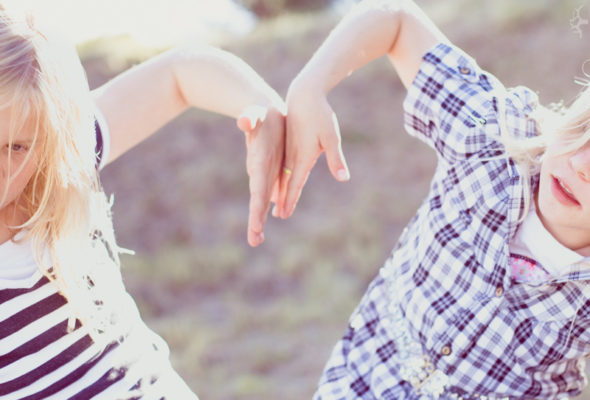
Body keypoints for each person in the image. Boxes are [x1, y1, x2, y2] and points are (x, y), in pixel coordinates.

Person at [282, 0, 590, 398]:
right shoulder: (492, 141)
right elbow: (396, 20)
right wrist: (309, 86)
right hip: (358, 382)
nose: (580, 164)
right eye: (582, 128)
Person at [0, 2, 284, 399]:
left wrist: (261, 105)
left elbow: (179, 74)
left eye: (15, 147)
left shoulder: (61, 169)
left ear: (49, 142)